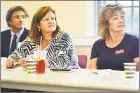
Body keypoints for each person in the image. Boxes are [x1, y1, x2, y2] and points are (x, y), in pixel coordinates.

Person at [6, 6, 80, 69]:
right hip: (41, 78)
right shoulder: (32, 39)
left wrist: (37, 63)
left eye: (53, 18)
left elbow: (64, 61)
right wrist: (12, 59)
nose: (51, 22)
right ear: (38, 25)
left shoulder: (64, 37)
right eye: (46, 19)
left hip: (68, 79)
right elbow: (17, 53)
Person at [88, 4, 139, 70]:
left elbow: (138, 72)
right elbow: (92, 71)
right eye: (115, 18)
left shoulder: (135, 42)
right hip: (102, 80)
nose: (121, 21)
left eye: (122, 17)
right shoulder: (97, 45)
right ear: (106, 23)